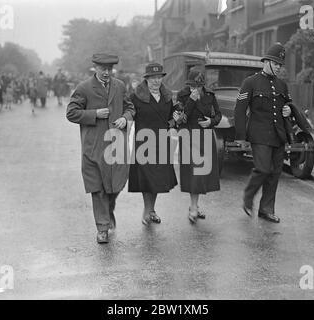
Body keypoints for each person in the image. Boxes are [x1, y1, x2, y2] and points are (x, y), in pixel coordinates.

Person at [66, 53, 135, 244]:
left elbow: (130, 108)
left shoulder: (120, 86)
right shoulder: (84, 88)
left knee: (116, 185)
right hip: (94, 147)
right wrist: (94, 114)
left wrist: (125, 118)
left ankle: (109, 209)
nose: (106, 73)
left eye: (109, 69)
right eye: (102, 69)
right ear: (95, 68)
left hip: (116, 144)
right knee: (98, 188)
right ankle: (102, 228)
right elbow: (71, 113)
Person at [234, 42, 292, 224]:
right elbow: (239, 110)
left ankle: (266, 209)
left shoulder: (282, 85)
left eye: (280, 65)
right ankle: (248, 197)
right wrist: (241, 138)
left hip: (278, 135)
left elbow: (288, 105)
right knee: (263, 169)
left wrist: (288, 110)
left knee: (275, 173)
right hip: (259, 135)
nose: (278, 67)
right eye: (275, 64)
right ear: (266, 62)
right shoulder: (250, 82)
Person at [128, 62, 179, 225]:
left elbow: (173, 117)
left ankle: (151, 210)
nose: (156, 81)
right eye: (153, 78)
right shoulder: (136, 96)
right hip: (144, 142)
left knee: (157, 179)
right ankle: (147, 210)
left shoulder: (168, 96)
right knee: (147, 178)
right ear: (147, 79)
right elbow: (128, 113)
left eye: (159, 77)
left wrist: (174, 122)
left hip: (162, 142)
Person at [176, 69, 222, 223]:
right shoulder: (182, 95)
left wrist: (211, 122)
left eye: (198, 87)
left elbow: (218, 115)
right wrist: (191, 100)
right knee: (193, 173)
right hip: (189, 135)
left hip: (205, 136)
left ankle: (195, 205)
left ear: (203, 85)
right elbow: (181, 119)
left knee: (202, 173)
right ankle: (194, 207)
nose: (194, 89)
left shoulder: (210, 95)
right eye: (192, 87)